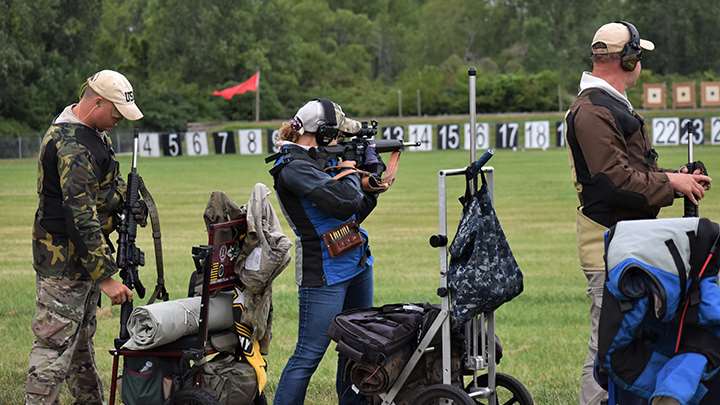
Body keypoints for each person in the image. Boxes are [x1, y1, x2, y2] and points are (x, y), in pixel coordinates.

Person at [564, 22, 712, 405]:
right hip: (607, 245)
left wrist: (673, 177)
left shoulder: (606, 103)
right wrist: (671, 185)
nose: (641, 63)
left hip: (627, 243)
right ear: (627, 59)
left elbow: (630, 172)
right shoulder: (593, 110)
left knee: (629, 343)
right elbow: (614, 181)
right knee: (605, 349)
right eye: (638, 55)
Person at [26, 69, 146, 405]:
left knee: (79, 344)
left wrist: (129, 198)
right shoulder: (72, 146)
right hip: (64, 263)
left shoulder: (92, 133)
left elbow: (102, 189)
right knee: (53, 348)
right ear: (96, 103)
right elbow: (79, 216)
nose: (118, 120)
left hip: (80, 262)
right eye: (116, 113)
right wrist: (106, 277)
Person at [270, 99, 379, 405]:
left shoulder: (318, 160)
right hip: (324, 272)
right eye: (338, 135)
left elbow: (355, 211)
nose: (341, 142)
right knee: (308, 355)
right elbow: (343, 202)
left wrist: (370, 184)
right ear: (322, 132)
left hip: (356, 260)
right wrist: (353, 174)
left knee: (356, 346)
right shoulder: (293, 169)